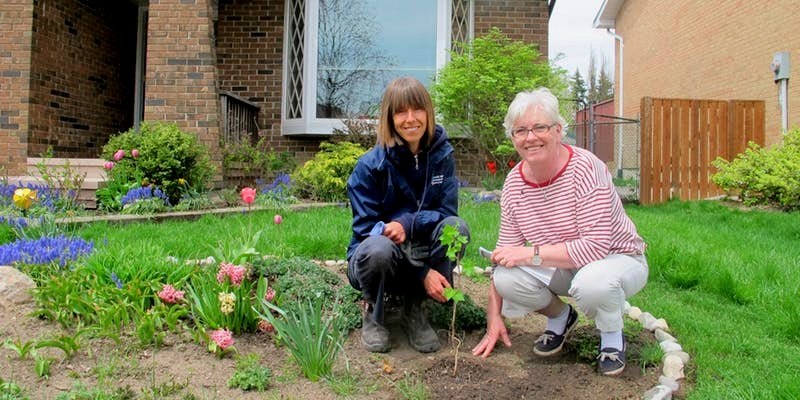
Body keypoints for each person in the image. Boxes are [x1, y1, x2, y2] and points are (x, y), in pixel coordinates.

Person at [471, 88, 648, 376]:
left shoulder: (586, 168)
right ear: (513, 138)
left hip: (618, 259)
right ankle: (561, 318)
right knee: (506, 277)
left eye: (540, 127)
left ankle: (612, 338)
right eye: (521, 131)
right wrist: (494, 320)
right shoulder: (514, 184)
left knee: (593, 283)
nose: (530, 137)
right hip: (564, 264)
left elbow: (594, 248)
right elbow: (502, 255)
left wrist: (530, 253)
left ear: (558, 130)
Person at [346, 76, 470, 353]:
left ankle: (416, 307)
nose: (410, 119)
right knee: (379, 247)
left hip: (422, 248)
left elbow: (446, 213)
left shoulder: (442, 156)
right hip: (375, 261)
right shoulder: (369, 167)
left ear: (428, 112)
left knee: (456, 228)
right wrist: (422, 272)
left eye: (418, 109)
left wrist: (407, 222)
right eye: (401, 111)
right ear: (389, 118)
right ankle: (375, 312)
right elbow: (368, 231)